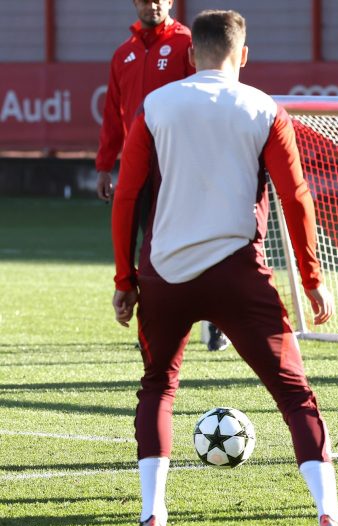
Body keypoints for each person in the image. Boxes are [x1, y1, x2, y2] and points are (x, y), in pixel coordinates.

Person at [111, 9, 338, 526]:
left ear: (189, 55)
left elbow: (127, 196)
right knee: (296, 396)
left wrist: (124, 278)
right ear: (244, 55)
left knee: (158, 386)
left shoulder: (155, 106)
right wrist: (312, 277)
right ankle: (332, 517)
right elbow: (296, 195)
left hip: (166, 274)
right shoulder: (263, 108)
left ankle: (151, 518)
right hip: (239, 274)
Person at [97, 0, 228, 352]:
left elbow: (208, 98)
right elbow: (113, 112)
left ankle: (216, 321)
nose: (152, 3)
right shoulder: (122, 53)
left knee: (202, 244)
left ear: (170, 2)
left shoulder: (188, 43)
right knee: (151, 251)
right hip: (140, 169)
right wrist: (104, 164)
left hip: (183, 165)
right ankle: (154, 328)